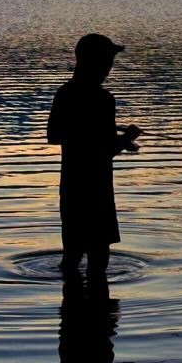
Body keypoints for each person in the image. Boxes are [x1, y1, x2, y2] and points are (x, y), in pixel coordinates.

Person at [47, 34, 141, 282]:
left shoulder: (65, 94)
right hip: (97, 191)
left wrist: (119, 140)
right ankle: (101, 316)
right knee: (99, 260)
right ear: (98, 63)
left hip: (71, 188)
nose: (110, 68)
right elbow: (104, 151)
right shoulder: (103, 100)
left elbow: (54, 135)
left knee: (72, 255)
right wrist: (125, 138)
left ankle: (72, 314)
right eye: (108, 60)